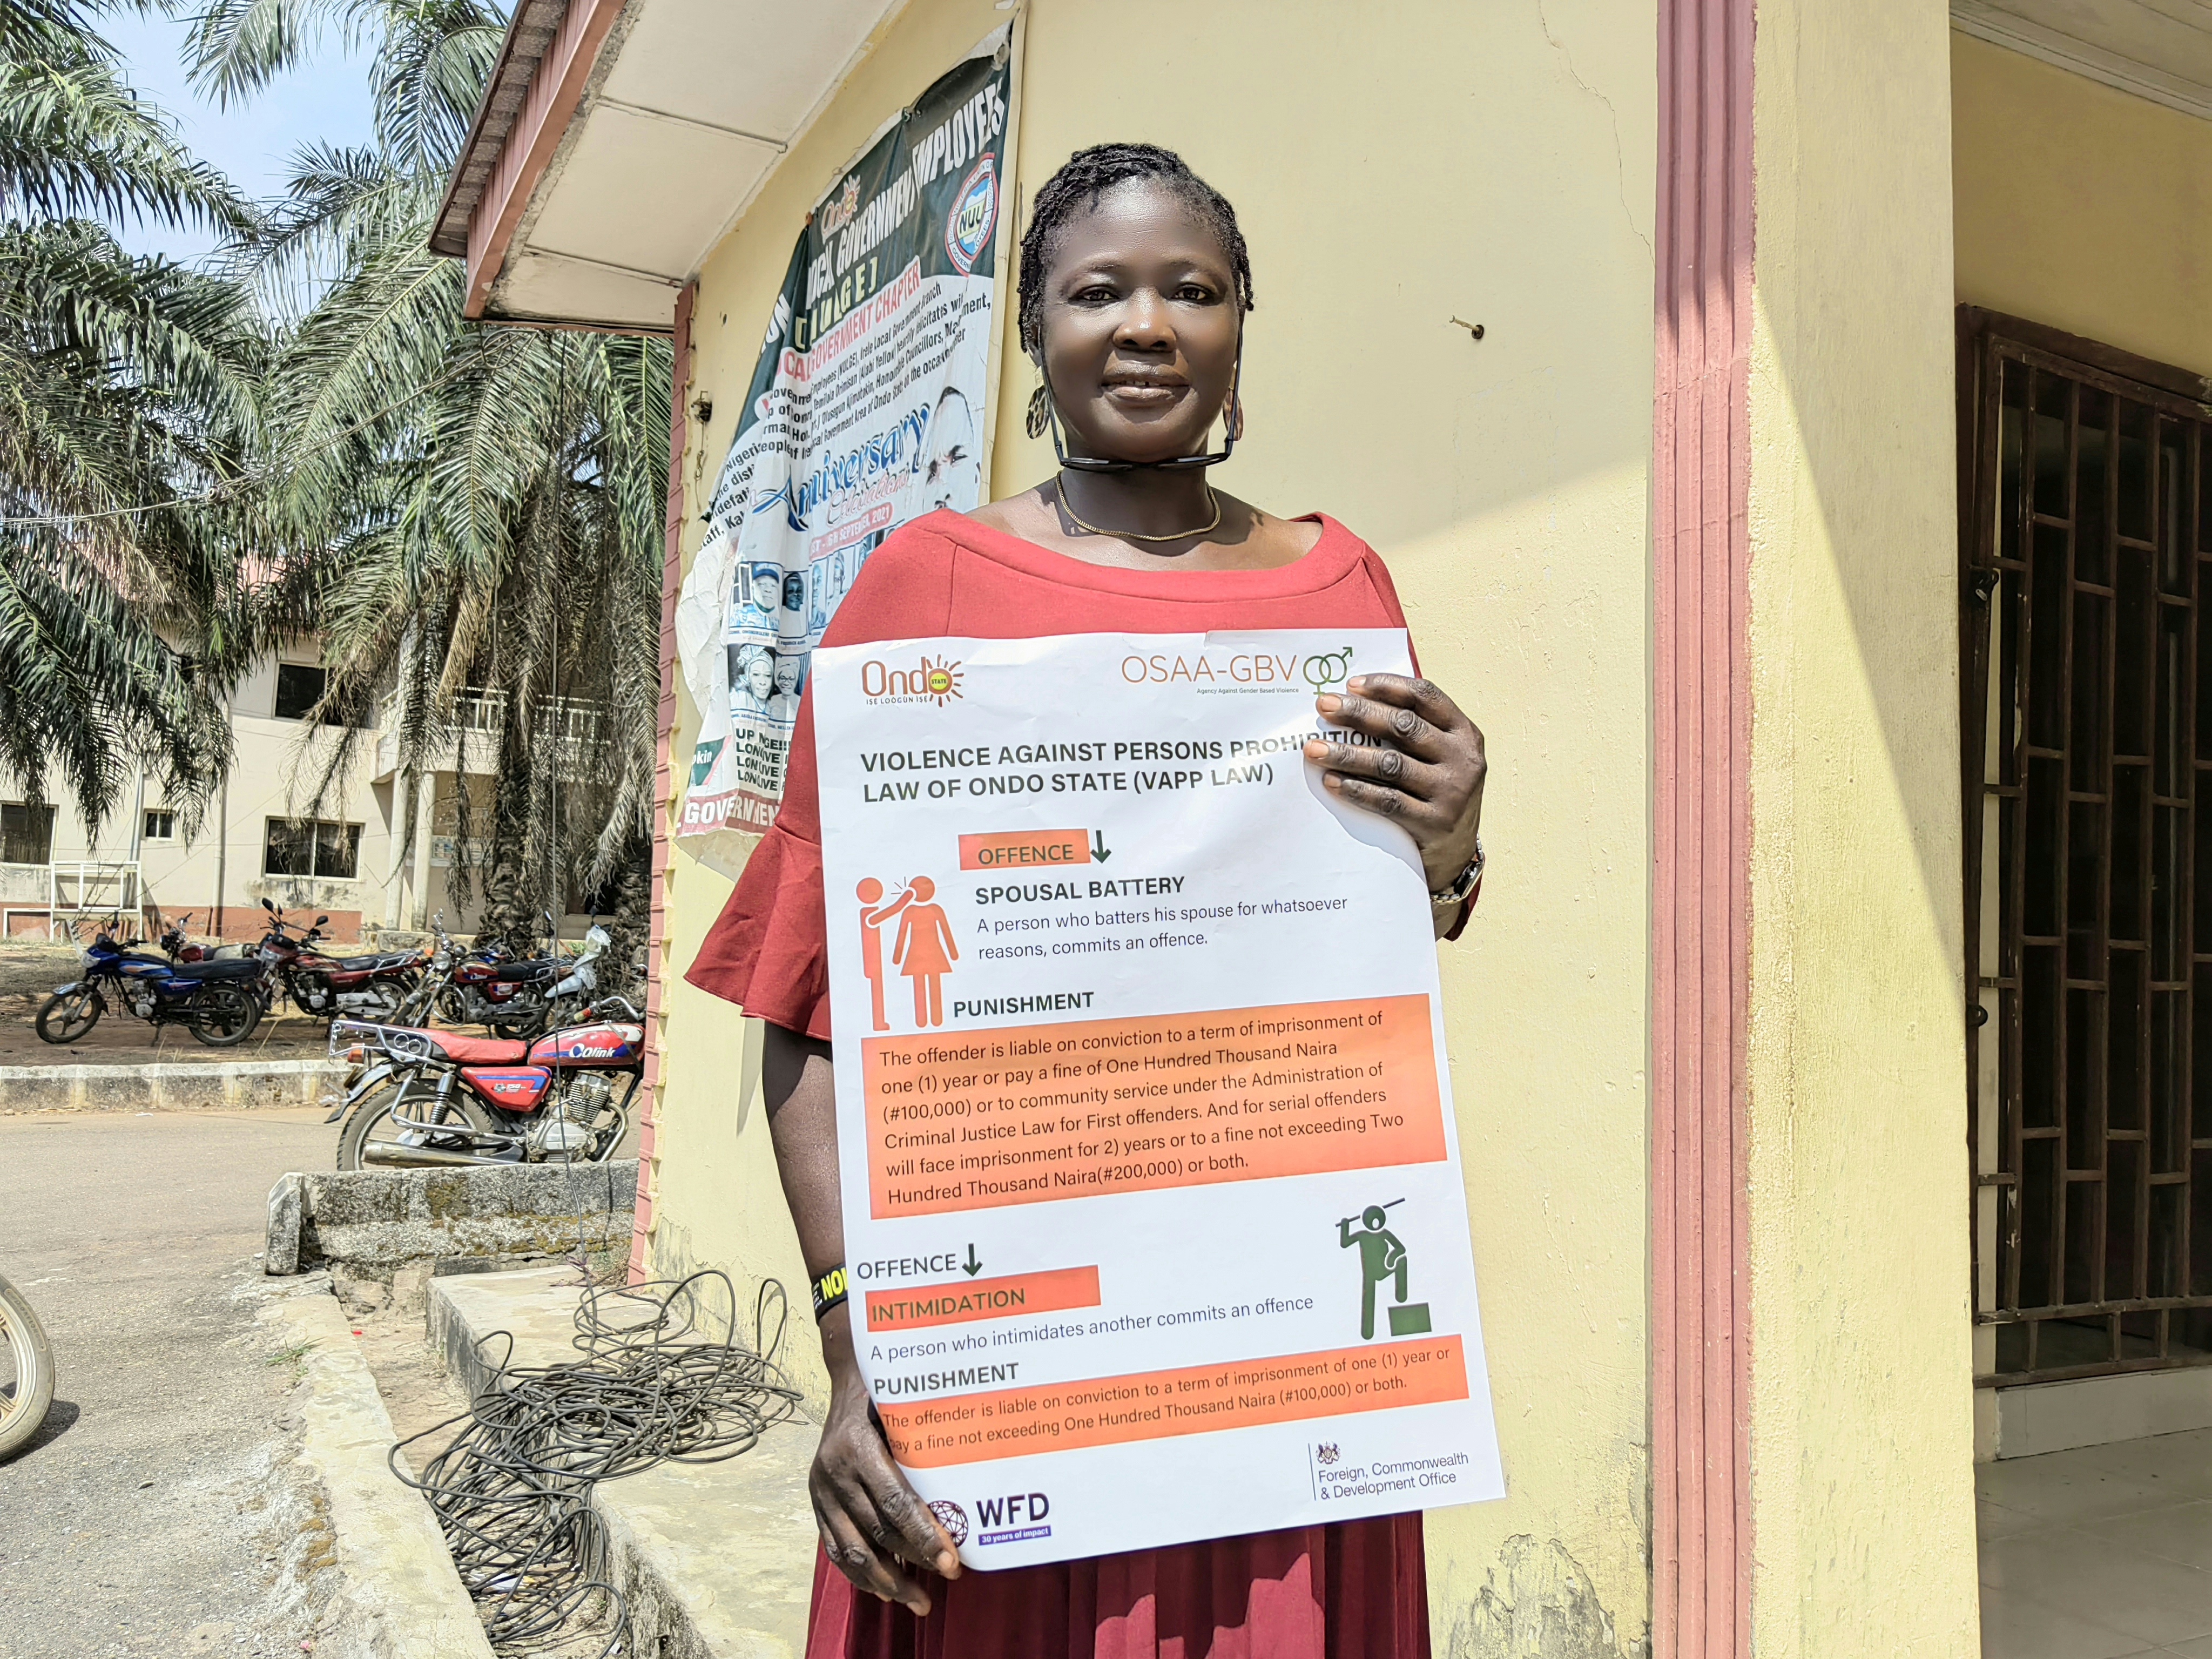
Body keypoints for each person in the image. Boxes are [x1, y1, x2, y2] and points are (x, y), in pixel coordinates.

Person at [689, 141, 1487, 1659]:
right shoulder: (924, 591)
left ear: (1242, 322)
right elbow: (810, 1014)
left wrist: (1452, 847)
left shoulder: (1341, 593)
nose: (1145, 325)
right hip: (1006, 1383)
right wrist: (859, 1351)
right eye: (1095, 290)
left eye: (1192, 290)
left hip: (1277, 1370)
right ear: (1033, 333)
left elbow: (1375, 936)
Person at [888, 876, 956, 1027]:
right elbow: (903, 933)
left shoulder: (917, 910)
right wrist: (953, 953)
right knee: (927, 983)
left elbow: (945, 931)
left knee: (928, 983)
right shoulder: (928, 910)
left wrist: (898, 957)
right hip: (926, 952)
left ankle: (931, 1020)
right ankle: (927, 1020)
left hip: (922, 952)